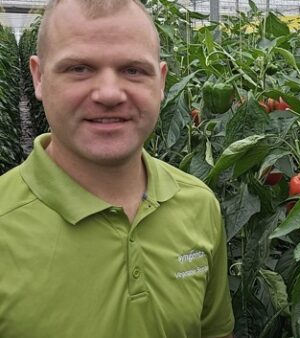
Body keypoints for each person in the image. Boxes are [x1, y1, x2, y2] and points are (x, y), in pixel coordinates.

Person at [0, 0, 234, 337]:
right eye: (79, 68)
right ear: (38, 77)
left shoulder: (198, 204)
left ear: (161, 81)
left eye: (133, 70)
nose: (109, 93)